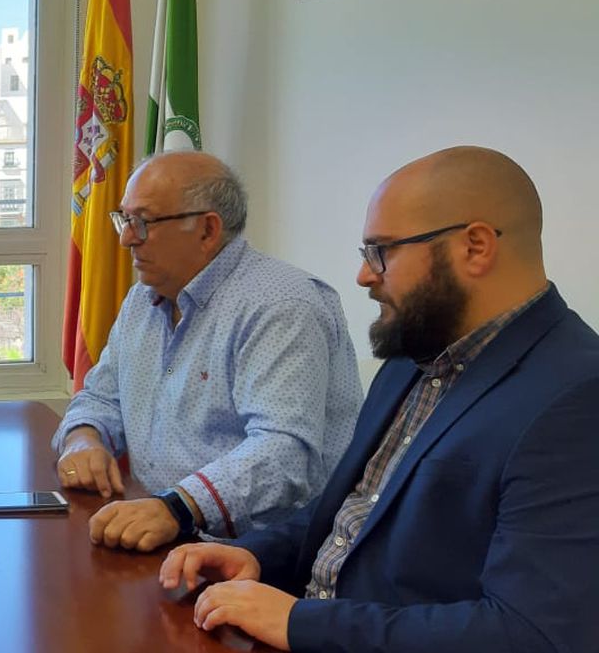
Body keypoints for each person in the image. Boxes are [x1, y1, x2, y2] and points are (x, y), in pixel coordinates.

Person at [161, 147, 599, 652]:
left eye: (381, 252)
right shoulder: (411, 357)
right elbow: (356, 513)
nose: (364, 276)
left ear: (475, 247)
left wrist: (301, 623)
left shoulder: (576, 397)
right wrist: (257, 554)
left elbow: (530, 635)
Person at [54, 151, 362, 551]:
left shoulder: (280, 305)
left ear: (207, 230)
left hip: (266, 557)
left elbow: (283, 455)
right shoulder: (141, 300)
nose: (126, 238)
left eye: (142, 222)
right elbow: (101, 396)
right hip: (163, 534)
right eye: (124, 219)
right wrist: (84, 438)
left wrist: (178, 508)